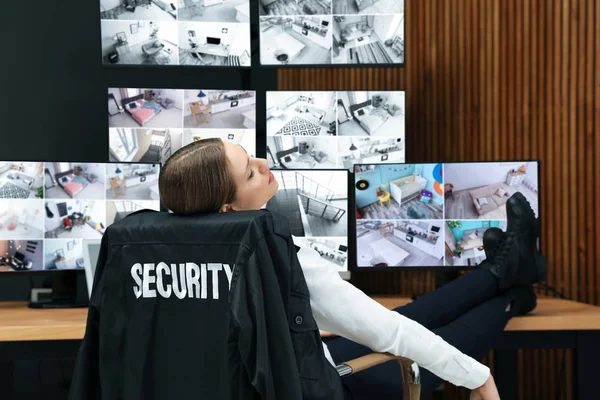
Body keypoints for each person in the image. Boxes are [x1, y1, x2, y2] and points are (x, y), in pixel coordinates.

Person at [158, 138, 546, 400]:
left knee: (410, 314)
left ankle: (499, 271)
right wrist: (478, 377)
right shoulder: (272, 252)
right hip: (322, 385)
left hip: (289, 367)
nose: (264, 163)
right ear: (228, 208)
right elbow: (389, 333)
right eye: (250, 172)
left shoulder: (163, 253)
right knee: (419, 335)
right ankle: (513, 289)